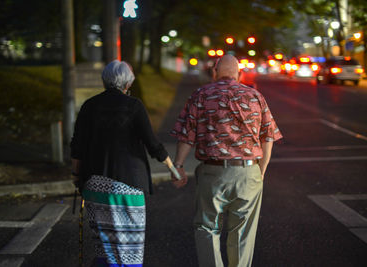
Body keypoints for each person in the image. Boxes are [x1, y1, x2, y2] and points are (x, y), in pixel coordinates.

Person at [170, 55, 283, 267]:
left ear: (214, 72)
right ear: (239, 74)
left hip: (213, 173)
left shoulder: (201, 95)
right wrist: (261, 170)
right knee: (242, 232)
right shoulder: (255, 96)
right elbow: (267, 137)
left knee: (206, 227)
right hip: (248, 172)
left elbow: (187, 135)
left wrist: (178, 166)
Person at [70, 60, 170, 267]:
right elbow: (151, 142)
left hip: (94, 183)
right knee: (129, 245)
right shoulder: (134, 106)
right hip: (127, 184)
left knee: (105, 244)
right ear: (128, 83)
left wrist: (76, 176)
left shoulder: (89, 105)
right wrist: (171, 166)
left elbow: (77, 145)